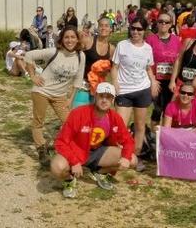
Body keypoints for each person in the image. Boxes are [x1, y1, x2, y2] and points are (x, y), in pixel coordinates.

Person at [50, 82, 136, 198]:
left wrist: (125, 157)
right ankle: (69, 180)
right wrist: (74, 162)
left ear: (113, 100)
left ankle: (100, 172)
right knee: (57, 167)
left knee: (132, 160)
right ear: (95, 96)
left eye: (108, 97)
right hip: (76, 151)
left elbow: (128, 140)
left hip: (98, 152)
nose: (104, 100)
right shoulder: (78, 113)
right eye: (101, 96)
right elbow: (60, 142)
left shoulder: (114, 117)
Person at [24, 26, 85, 166]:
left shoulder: (80, 56)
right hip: (42, 91)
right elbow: (28, 56)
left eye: (72, 37)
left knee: (70, 123)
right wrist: (33, 76)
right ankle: (41, 150)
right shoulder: (54, 52)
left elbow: (78, 80)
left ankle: (61, 145)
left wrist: (71, 99)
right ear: (62, 39)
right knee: (39, 121)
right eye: (66, 37)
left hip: (60, 95)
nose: (70, 40)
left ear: (77, 39)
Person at [111, 17, 159, 171]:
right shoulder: (122, 45)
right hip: (124, 91)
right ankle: (119, 156)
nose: (135, 32)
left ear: (144, 31)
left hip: (142, 90)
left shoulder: (147, 48)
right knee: (120, 126)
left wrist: (153, 81)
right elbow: (114, 67)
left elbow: (148, 68)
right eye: (133, 28)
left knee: (139, 126)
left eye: (139, 29)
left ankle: (135, 156)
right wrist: (115, 84)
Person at [146, 13, 182, 130]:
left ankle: (166, 136)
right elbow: (146, 61)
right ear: (157, 23)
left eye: (166, 22)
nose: (163, 24)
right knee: (157, 109)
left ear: (171, 24)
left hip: (171, 81)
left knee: (169, 109)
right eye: (161, 21)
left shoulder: (177, 40)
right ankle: (154, 137)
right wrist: (153, 81)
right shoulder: (150, 39)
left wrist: (173, 81)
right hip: (156, 80)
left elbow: (178, 61)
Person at [77, 17, 115, 107]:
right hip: (83, 84)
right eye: (101, 25)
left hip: (98, 87)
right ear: (98, 28)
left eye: (106, 26)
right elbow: (75, 55)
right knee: (79, 113)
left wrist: (105, 72)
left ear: (110, 29)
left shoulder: (112, 49)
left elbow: (110, 68)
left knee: (94, 116)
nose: (103, 28)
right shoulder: (88, 40)